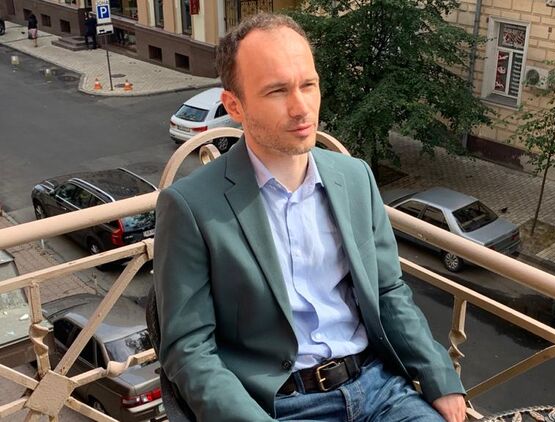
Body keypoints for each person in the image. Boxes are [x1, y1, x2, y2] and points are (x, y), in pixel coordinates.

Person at [154, 12, 466, 422]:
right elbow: (189, 348)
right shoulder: (191, 205)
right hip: (283, 405)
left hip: (377, 387)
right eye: (277, 91)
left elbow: (388, 290)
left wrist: (438, 374)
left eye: (308, 85)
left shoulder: (354, 177)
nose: (301, 108)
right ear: (234, 106)